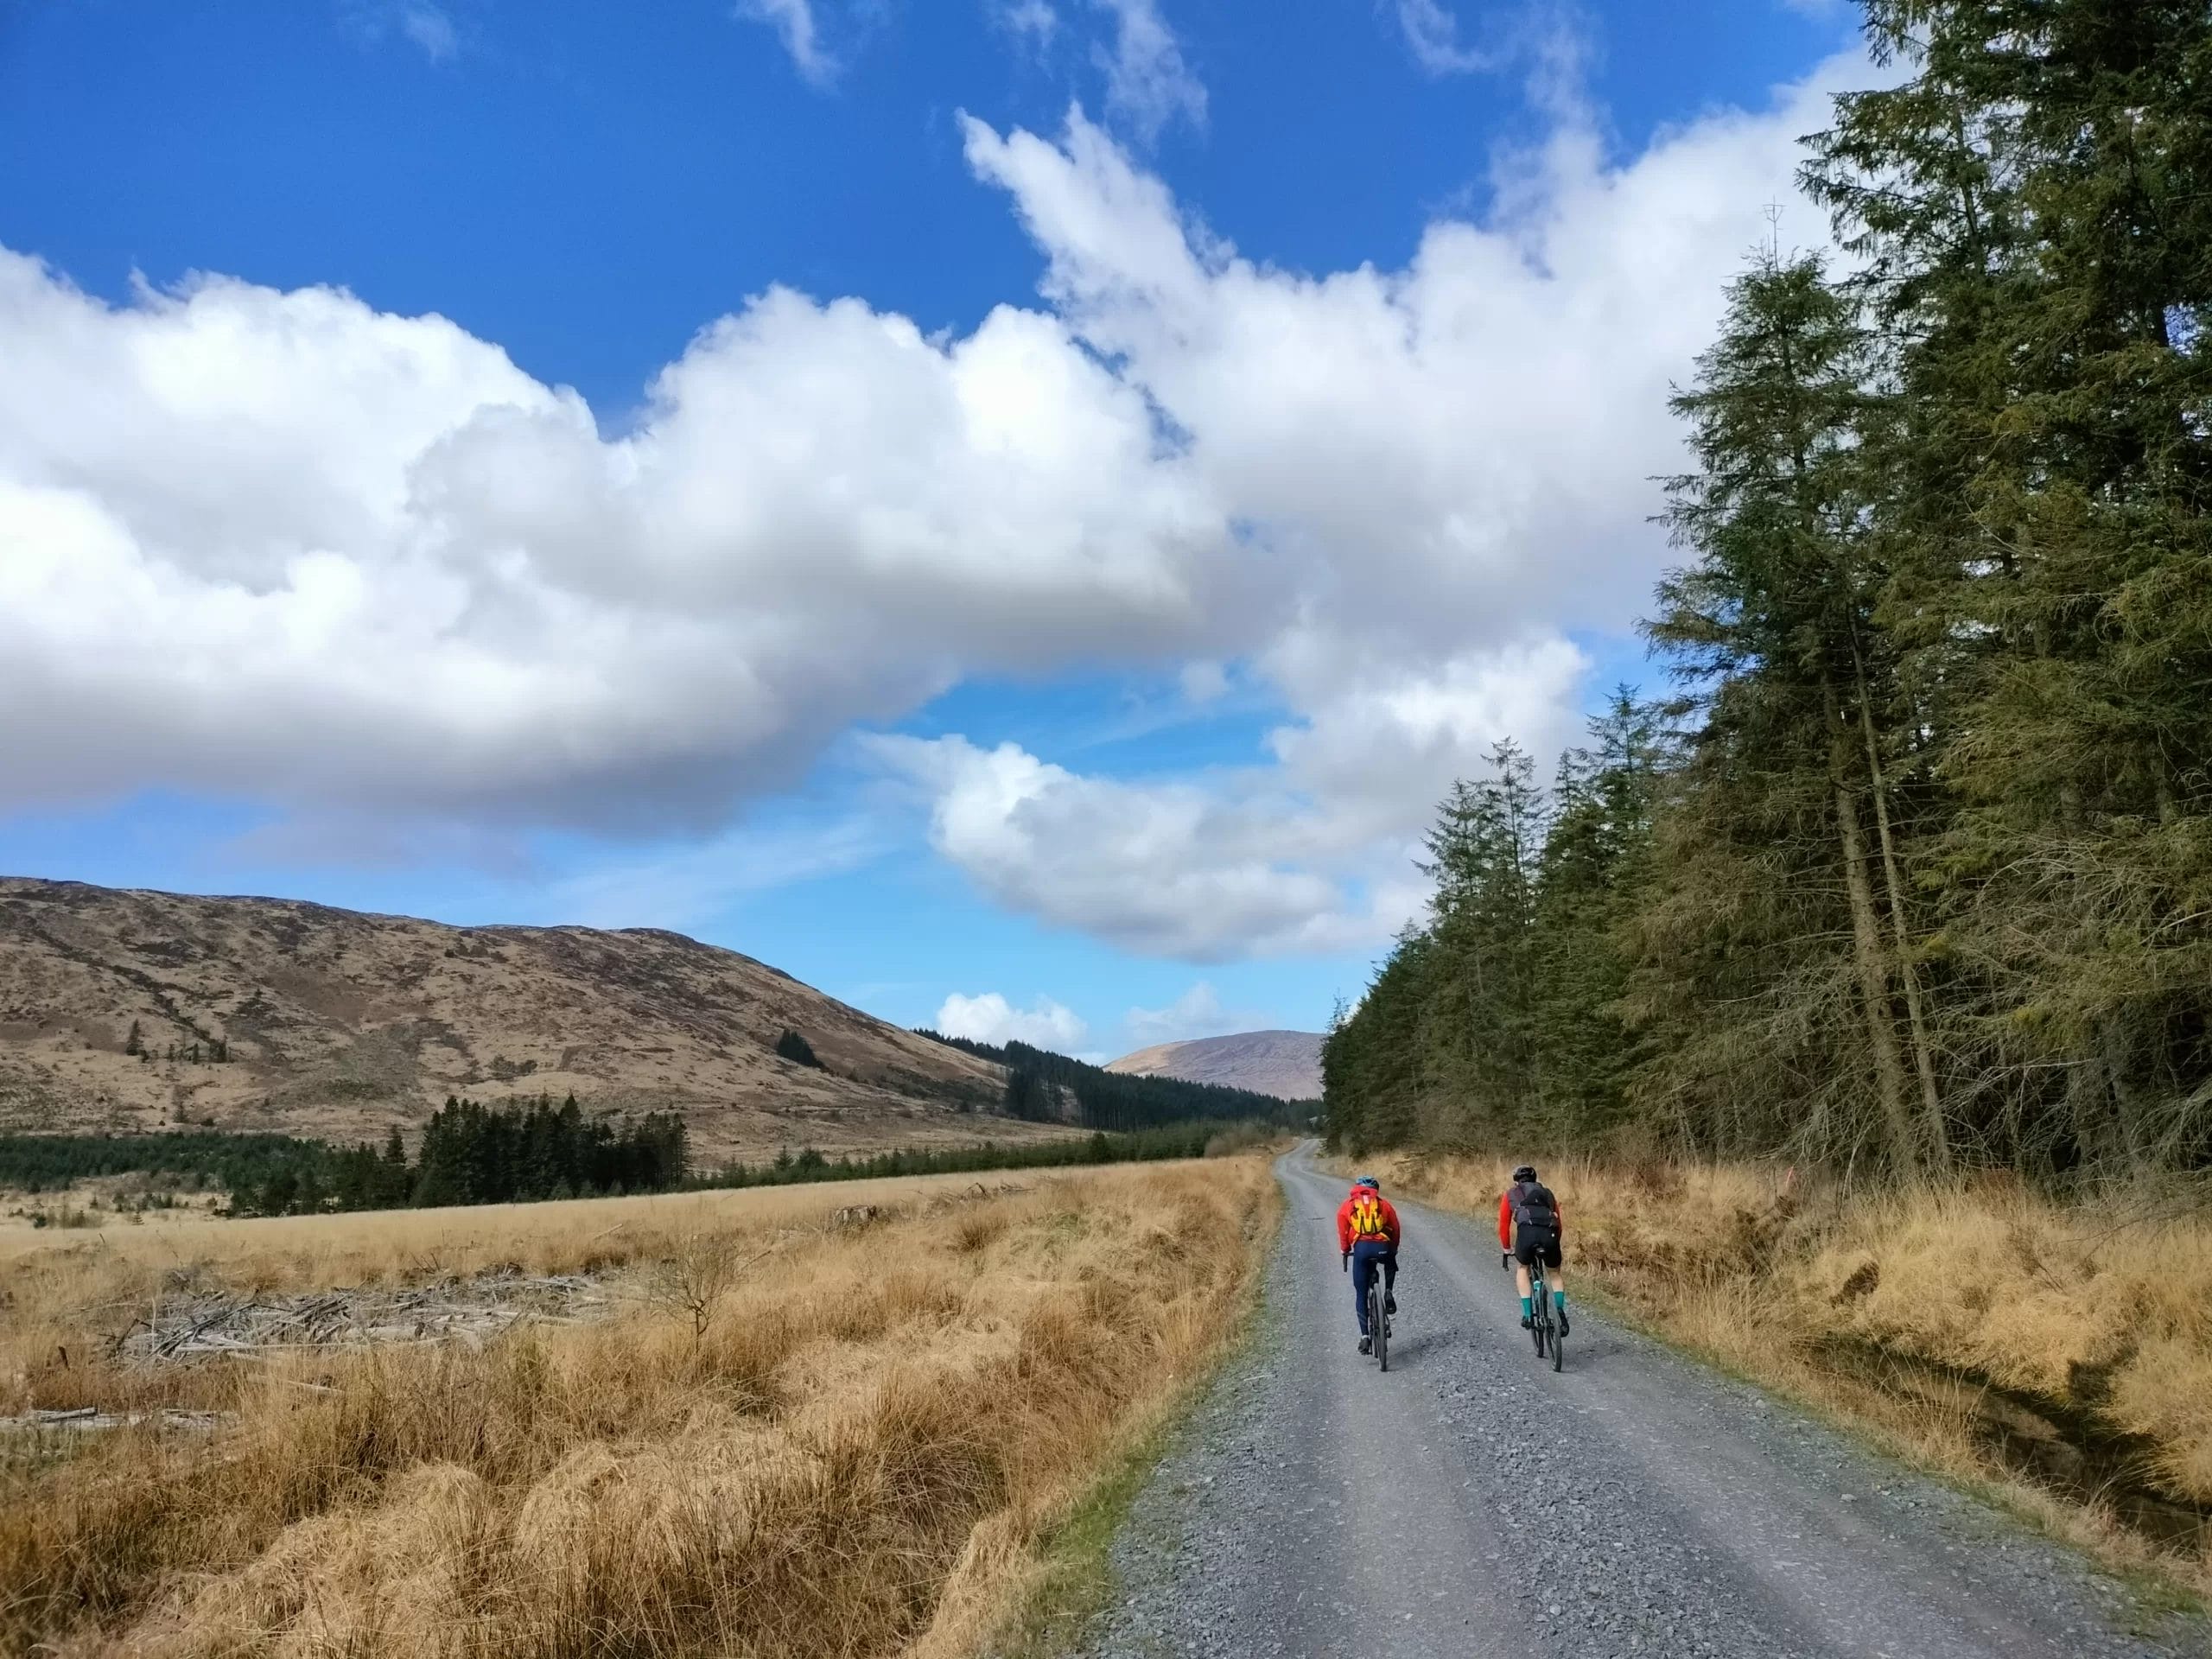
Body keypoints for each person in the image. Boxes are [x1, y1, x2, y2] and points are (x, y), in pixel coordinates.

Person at [1497, 1163, 1568, 1336]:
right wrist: (1554, 1243)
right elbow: (1559, 1224)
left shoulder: (1511, 1194)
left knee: (1523, 1268)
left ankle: (1528, 1315)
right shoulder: (1548, 1193)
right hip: (1549, 1236)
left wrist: (1507, 1248)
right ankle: (1559, 1312)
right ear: (1535, 1179)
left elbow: (1503, 1225)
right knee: (1554, 1273)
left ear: (1516, 1181)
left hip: (1527, 1236)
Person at [1336, 1174, 1401, 1355]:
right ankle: (1388, 1291)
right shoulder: (1383, 1204)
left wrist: (1345, 1249)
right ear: (1375, 1190)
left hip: (1362, 1249)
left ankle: (1365, 1337)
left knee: (1361, 1293)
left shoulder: (1348, 1206)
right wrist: (1393, 1248)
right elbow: (1395, 1228)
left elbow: (1343, 1231)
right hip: (1383, 1247)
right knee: (1390, 1260)